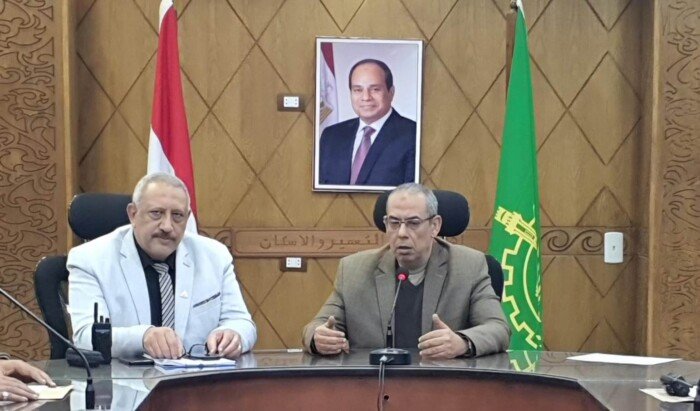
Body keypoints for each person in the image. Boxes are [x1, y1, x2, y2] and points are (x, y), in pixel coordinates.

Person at [303, 183, 510, 359]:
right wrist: (318, 338)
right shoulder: (354, 270)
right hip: (373, 385)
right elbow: (317, 326)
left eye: (413, 223)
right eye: (394, 223)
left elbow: (498, 328)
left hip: (442, 384)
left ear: (435, 225)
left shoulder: (469, 266)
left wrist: (462, 343)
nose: (401, 233)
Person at [68, 173, 256, 359]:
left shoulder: (215, 256)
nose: (167, 226)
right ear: (133, 214)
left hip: (198, 376)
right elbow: (85, 337)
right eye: (156, 213)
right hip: (124, 377)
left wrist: (233, 335)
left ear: (188, 218)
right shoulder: (90, 259)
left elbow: (242, 322)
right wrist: (143, 338)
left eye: (177, 216)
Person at [318, 59, 416, 186]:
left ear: (391, 93)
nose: (366, 97)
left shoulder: (413, 135)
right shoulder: (331, 136)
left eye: (375, 89)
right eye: (358, 90)